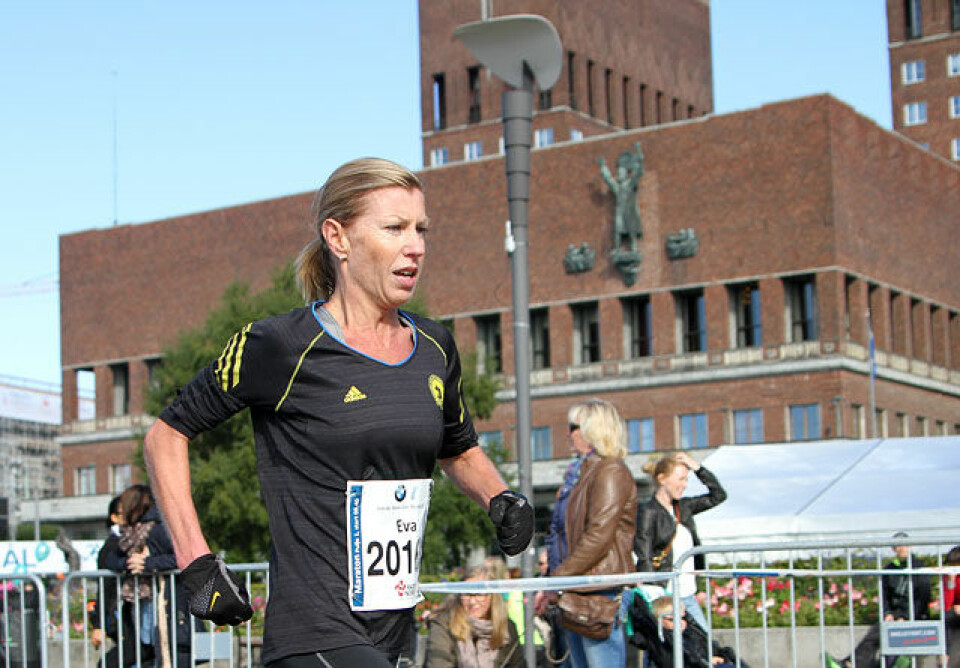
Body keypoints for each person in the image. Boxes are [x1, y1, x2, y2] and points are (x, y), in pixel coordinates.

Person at [142, 157, 535, 668]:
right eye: (394, 228)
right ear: (339, 237)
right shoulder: (279, 345)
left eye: (421, 229)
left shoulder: (435, 347)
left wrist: (500, 498)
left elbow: (456, 447)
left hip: (394, 628)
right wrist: (196, 562)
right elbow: (166, 434)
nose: (414, 245)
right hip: (314, 632)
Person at [539, 399, 638, 667]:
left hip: (599, 590)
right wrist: (551, 580)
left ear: (591, 430)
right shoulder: (579, 474)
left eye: (573, 427)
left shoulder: (610, 471)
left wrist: (556, 580)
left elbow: (598, 537)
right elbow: (559, 533)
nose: (568, 434)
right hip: (579, 587)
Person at [634, 452, 727, 632]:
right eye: (680, 479)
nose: (684, 485)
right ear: (662, 479)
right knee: (663, 649)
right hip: (665, 595)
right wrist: (655, 597)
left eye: (686, 480)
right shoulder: (648, 512)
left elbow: (718, 495)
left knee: (704, 642)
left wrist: (697, 468)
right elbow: (643, 555)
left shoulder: (684, 507)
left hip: (687, 594)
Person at [826, 532, 933, 668]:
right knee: (875, 635)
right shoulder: (889, 569)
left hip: (914, 616)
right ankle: (851, 663)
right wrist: (887, 613)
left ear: (911, 546)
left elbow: (922, 599)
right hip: (893, 616)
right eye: (897, 546)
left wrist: (905, 616)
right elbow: (884, 596)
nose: (901, 548)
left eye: (904, 545)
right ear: (893, 548)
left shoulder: (919, 567)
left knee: (894, 643)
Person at [423, 564, 524, 668]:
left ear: (493, 596)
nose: (472, 601)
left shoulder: (508, 627)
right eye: (467, 594)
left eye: (479, 594)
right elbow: (438, 663)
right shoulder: (443, 624)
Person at [629, 596, 744, 668]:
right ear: (659, 621)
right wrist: (707, 661)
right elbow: (688, 657)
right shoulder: (660, 638)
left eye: (682, 617)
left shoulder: (690, 632)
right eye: (672, 619)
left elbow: (700, 648)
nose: (679, 622)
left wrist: (713, 658)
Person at [942, 545, 960, 668]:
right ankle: (946, 655)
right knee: (948, 617)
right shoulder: (948, 577)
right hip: (955, 615)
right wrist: (951, 583)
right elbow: (947, 604)